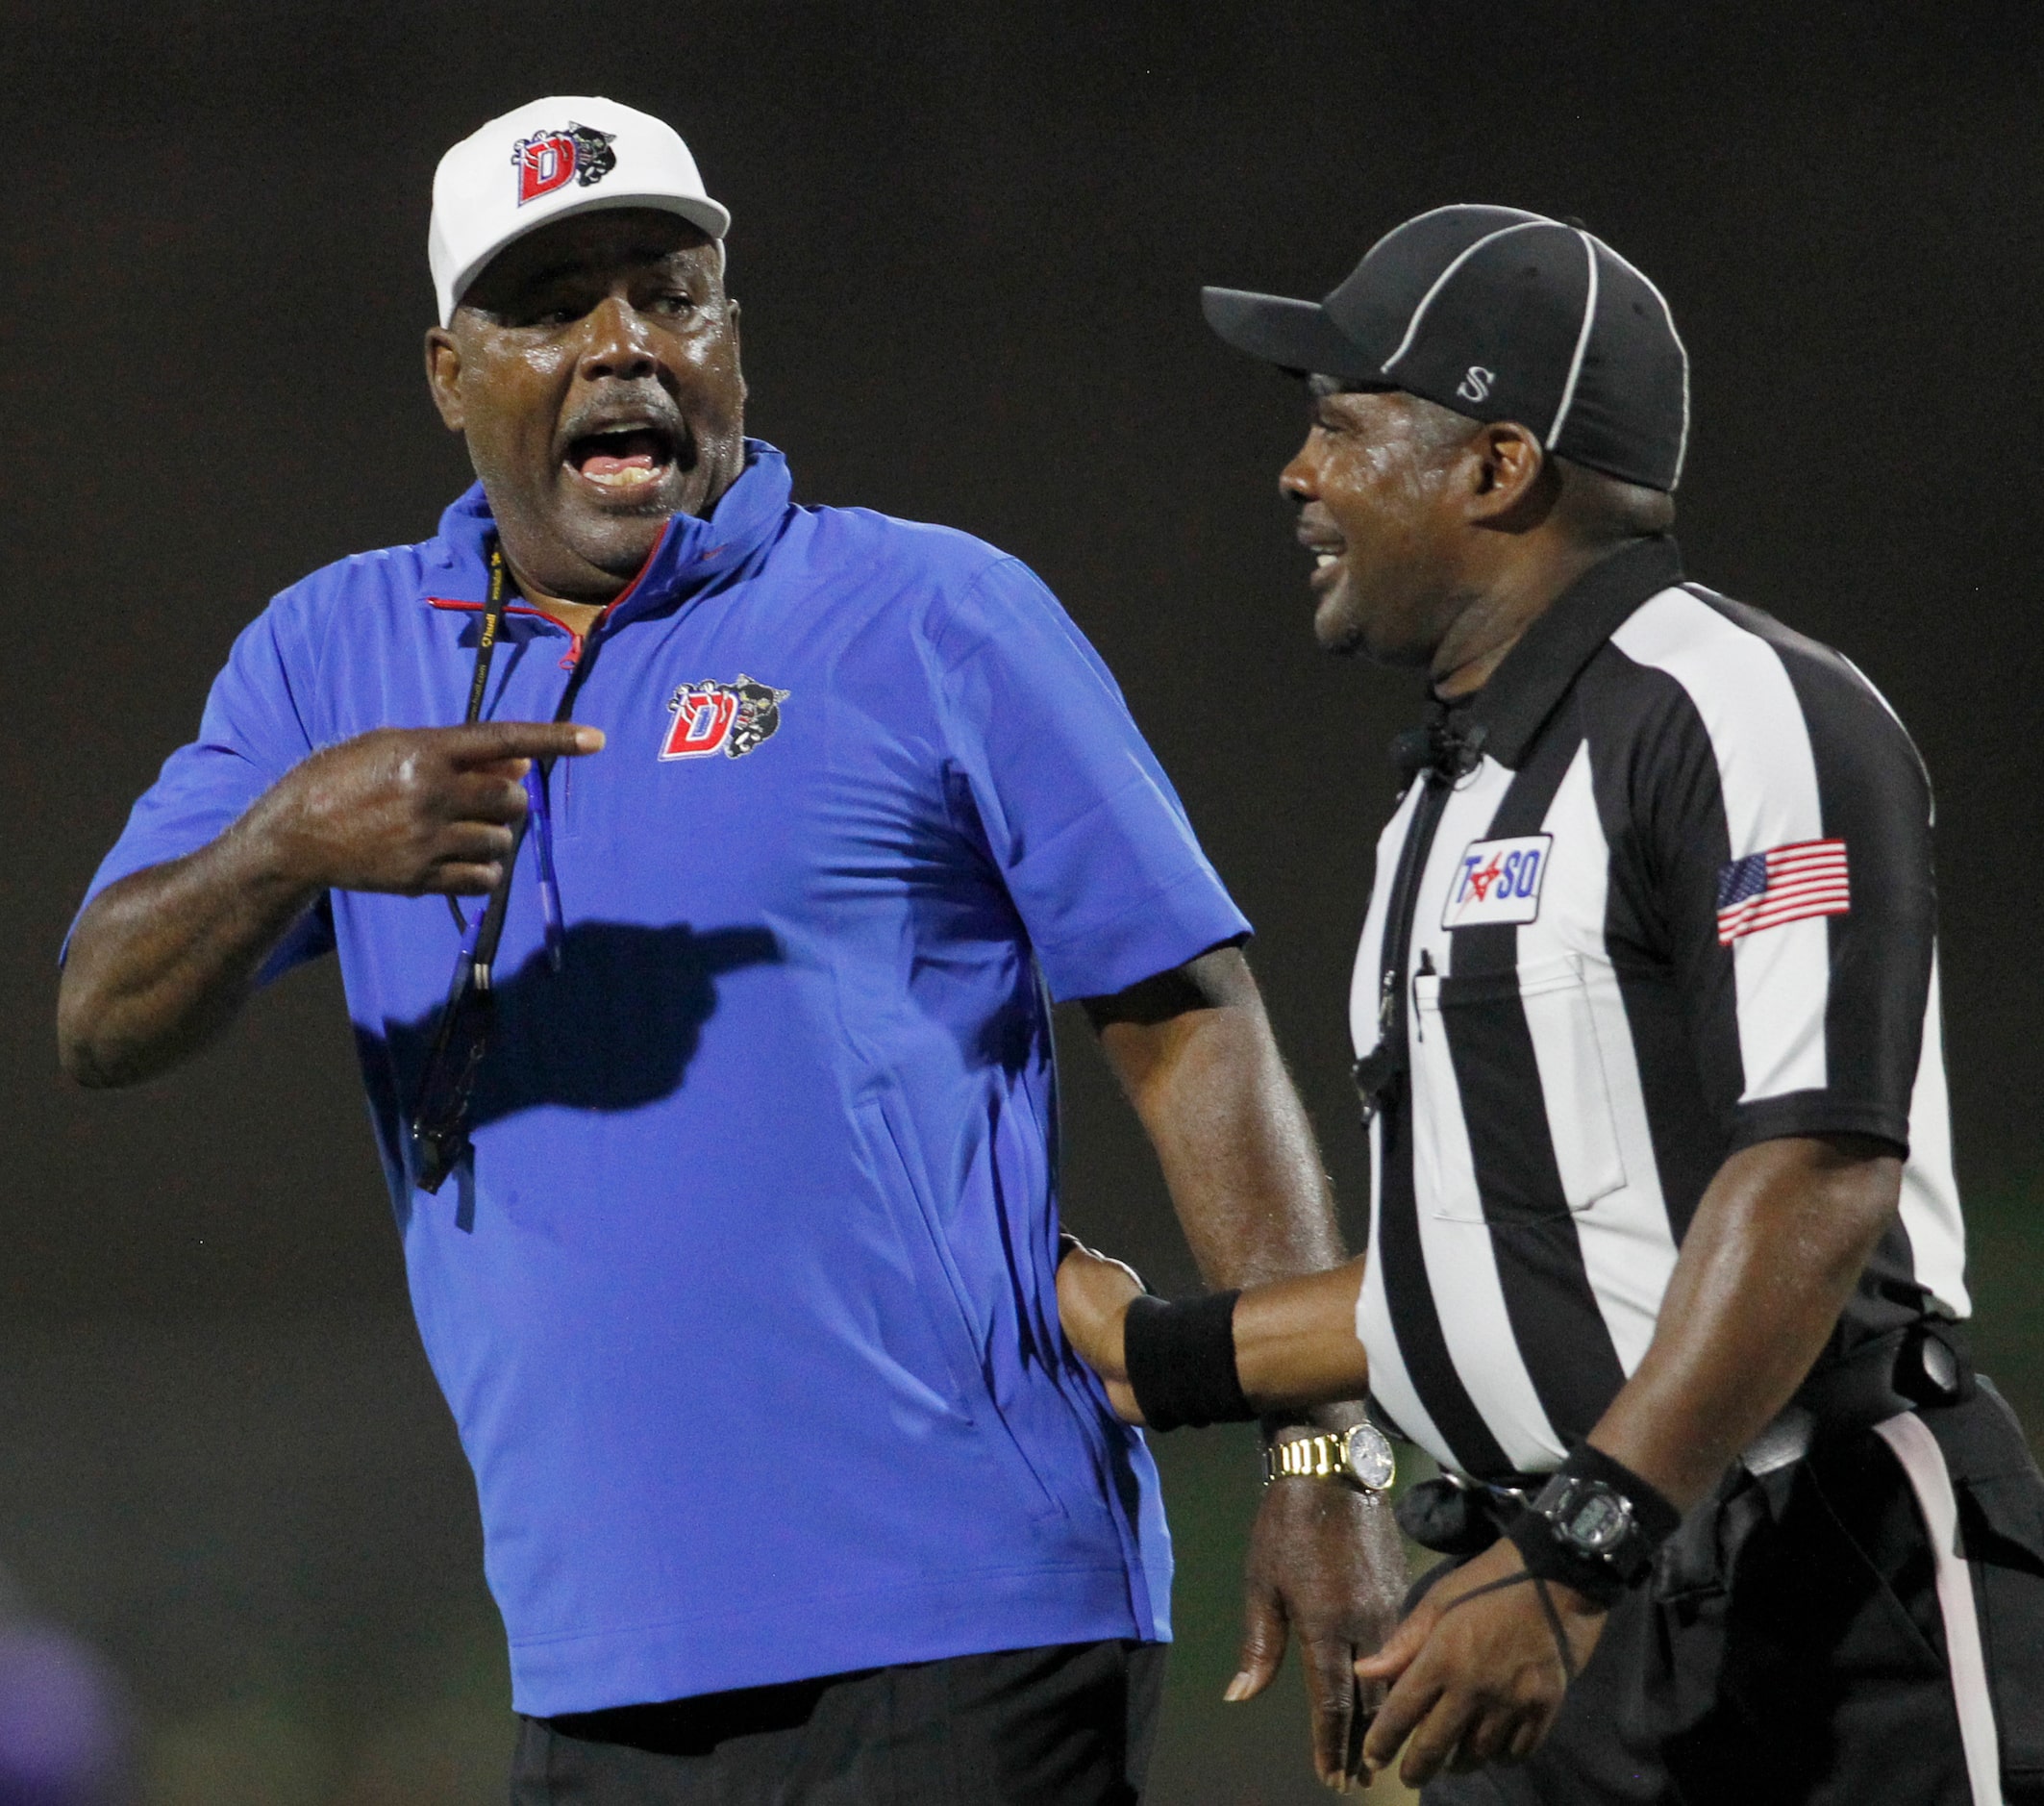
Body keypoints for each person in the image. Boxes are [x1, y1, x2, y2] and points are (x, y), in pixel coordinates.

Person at [55, 97, 1406, 1802]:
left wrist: (1320, 1451)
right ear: (447, 371)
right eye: (552, 307)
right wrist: (283, 843)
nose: (625, 345)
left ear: (734, 344)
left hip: (965, 1614)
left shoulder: (929, 614)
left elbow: (1188, 1018)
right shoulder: (325, 655)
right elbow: (98, 1016)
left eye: (669, 294)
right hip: (593, 1654)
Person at [1058, 204, 2044, 1804]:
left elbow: (1816, 1169)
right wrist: (1168, 1351)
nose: (1295, 477)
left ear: (1495, 466)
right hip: (1549, 1608)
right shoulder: (1453, 797)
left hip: (1804, 1587)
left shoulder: (1735, 708)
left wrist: (1582, 1549)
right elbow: (1518, 1261)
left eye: (1337, 425)